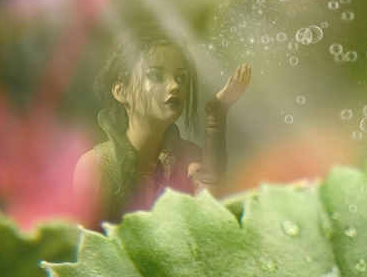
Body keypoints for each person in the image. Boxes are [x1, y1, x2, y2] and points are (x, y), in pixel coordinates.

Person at [73, 24, 250, 223]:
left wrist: (216, 116)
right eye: (156, 75)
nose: (175, 86)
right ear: (121, 92)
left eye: (181, 77)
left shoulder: (187, 158)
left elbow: (211, 211)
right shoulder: (96, 166)